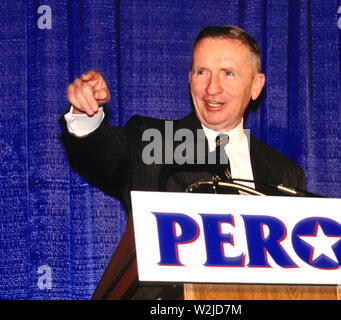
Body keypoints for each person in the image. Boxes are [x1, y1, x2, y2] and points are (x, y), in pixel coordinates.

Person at [60, 25, 306, 299]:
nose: (212, 88)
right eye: (202, 72)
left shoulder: (287, 174)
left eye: (228, 73)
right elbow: (105, 154)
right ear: (190, 79)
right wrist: (86, 116)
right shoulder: (151, 142)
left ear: (256, 86)